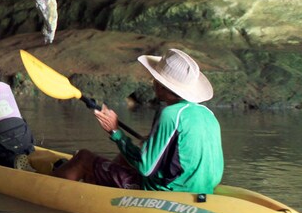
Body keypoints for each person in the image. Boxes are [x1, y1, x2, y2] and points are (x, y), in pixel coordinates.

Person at [52, 48, 224, 194]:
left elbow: (146, 168)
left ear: (162, 85)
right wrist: (150, 142)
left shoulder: (170, 114)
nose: (153, 81)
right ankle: (97, 183)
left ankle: (52, 184)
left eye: (155, 78)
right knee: (123, 158)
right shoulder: (207, 114)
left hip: (167, 192)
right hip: (201, 189)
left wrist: (115, 132)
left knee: (83, 158)